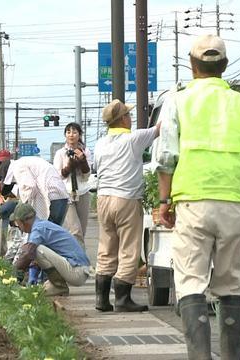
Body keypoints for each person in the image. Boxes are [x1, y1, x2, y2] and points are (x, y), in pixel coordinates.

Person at [155, 35, 240, 359]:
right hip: (234, 201)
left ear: (192, 66)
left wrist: (165, 201)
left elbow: (166, 157)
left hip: (192, 201)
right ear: (224, 66)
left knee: (191, 281)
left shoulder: (178, 100)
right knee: (232, 283)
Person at [93, 99, 159, 313]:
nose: (131, 118)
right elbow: (159, 129)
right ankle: (122, 299)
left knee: (106, 247)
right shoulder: (134, 138)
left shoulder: (100, 144)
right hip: (126, 199)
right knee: (129, 248)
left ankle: (101, 299)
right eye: (128, 115)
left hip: (103, 199)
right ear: (122, 119)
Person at [12, 203, 91, 296]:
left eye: (18, 224)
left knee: (37, 249)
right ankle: (56, 285)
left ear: (23, 222)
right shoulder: (41, 225)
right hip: (78, 269)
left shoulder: (38, 229)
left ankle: (59, 287)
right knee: (40, 290)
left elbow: (28, 254)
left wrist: (12, 274)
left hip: (78, 271)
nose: (19, 227)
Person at [53, 122, 92, 248]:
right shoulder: (60, 153)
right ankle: (81, 261)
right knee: (75, 230)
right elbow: (57, 176)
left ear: (79, 135)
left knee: (82, 230)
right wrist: (69, 167)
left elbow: (86, 176)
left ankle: (76, 257)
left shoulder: (85, 151)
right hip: (67, 194)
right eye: (68, 132)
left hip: (83, 192)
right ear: (65, 135)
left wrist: (82, 161)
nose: (71, 135)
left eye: (75, 132)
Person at [0, 156, 70, 225]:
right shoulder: (23, 162)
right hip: (58, 194)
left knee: (48, 231)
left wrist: (22, 207)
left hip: (53, 195)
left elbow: (30, 187)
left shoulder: (17, 167)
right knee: (51, 230)